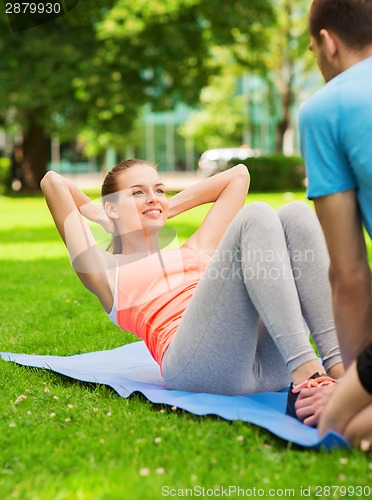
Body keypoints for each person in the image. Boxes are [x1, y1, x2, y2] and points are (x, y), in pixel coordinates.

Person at [40, 159, 343, 411]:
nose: (153, 197)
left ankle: (341, 369)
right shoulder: (104, 271)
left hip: (269, 364)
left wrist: (161, 206)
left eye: (159, 190)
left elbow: (239, 175)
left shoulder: (196, 248)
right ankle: (308, 373)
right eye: (137, 192)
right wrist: (101, 215)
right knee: (256, 215)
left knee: (296, 214)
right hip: (199, 368)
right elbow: (53, 182)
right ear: (112, 207)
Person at [297, 0, 372, 447]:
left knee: (339, 427)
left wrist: (351, 391)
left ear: (328, 42)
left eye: (311, 50)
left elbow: (348, 276)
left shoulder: (326, 108)